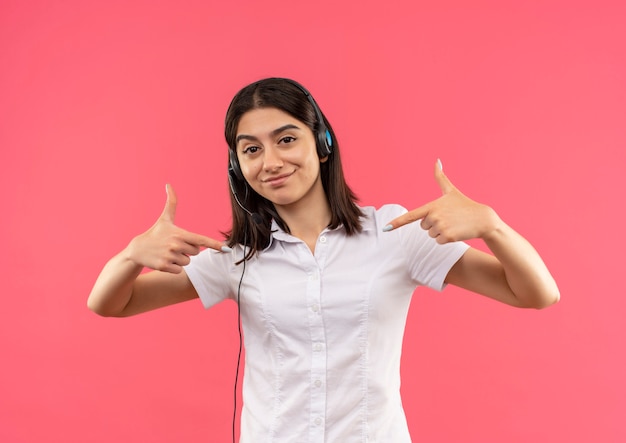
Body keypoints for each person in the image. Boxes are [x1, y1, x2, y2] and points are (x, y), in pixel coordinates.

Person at [88, 77, 559, 442]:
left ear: (322, 141)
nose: (269, 161)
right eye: (251, 149)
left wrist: (492, 227)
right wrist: (131, 255)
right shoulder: (238, 257)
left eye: (286, 139)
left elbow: (536, 293)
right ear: (237, 167)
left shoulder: (394, 233)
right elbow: (111, 303)